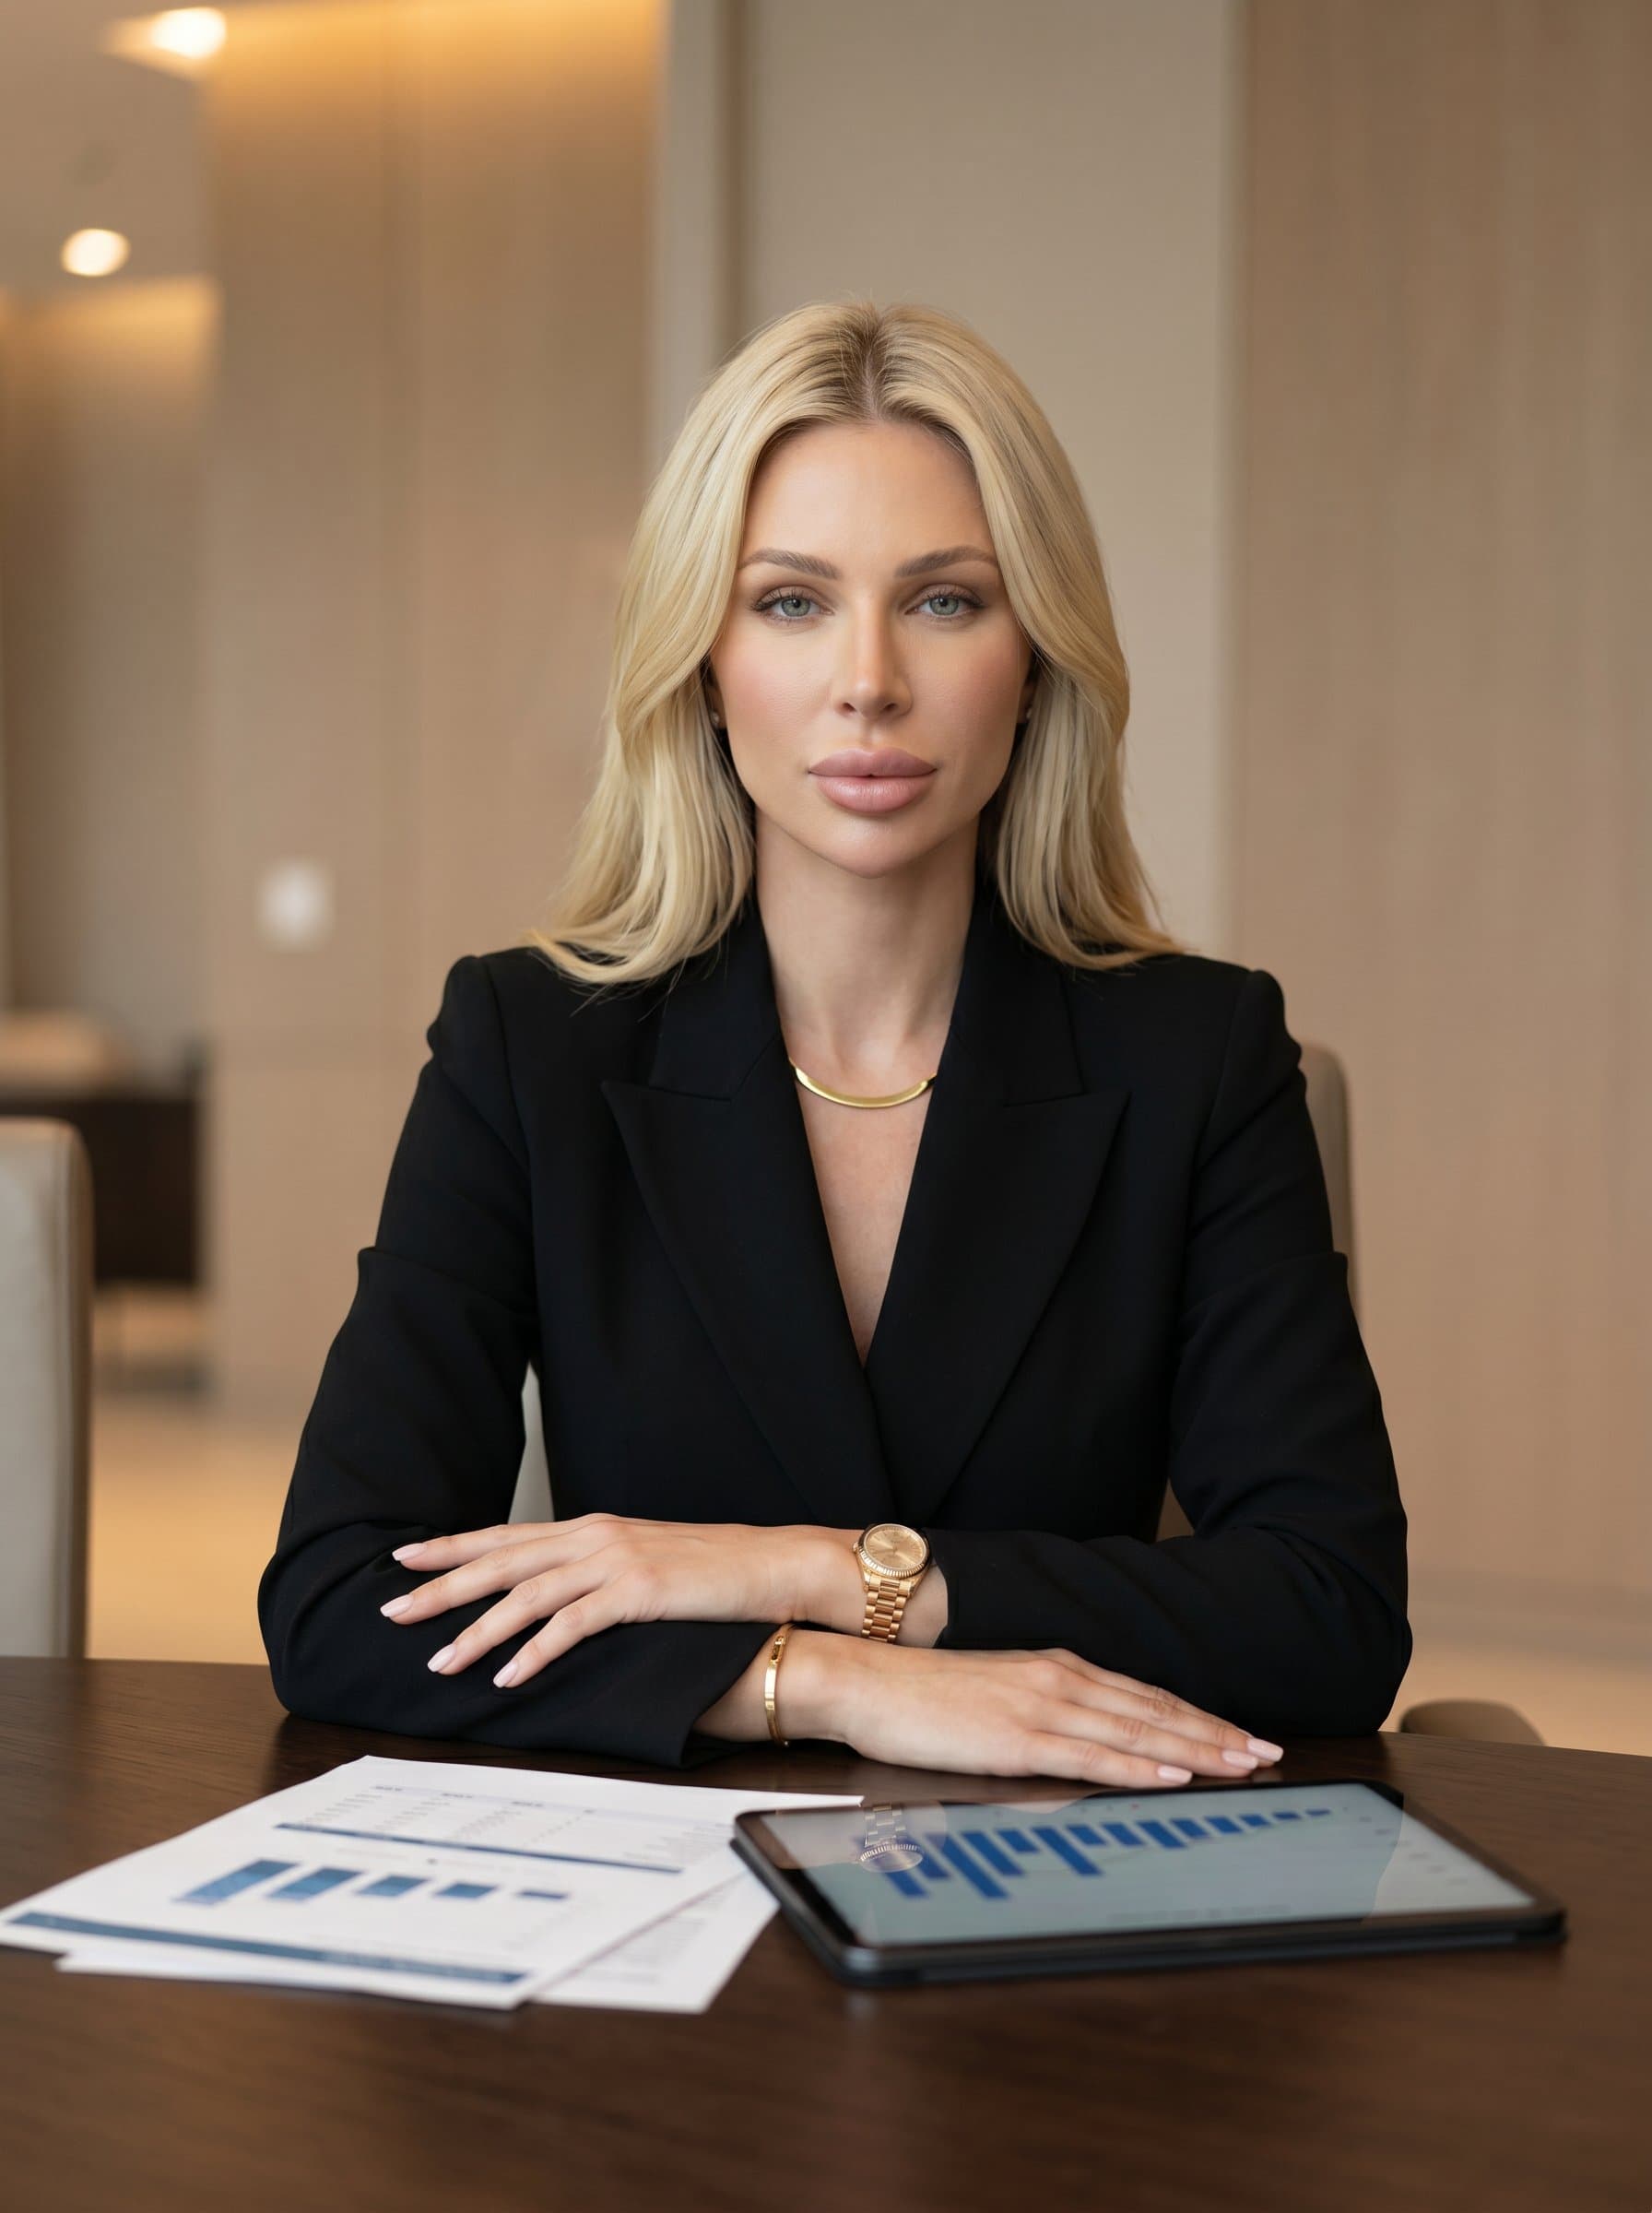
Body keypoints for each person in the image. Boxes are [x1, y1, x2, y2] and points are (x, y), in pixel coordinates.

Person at [257, 298, 1410, 1787]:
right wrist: (824, 1682)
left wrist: (815, 1573)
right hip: (655, 1884)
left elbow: (1331, 1612)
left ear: (1036, 660)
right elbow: (342, 1602)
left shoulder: (1202, 1056)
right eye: (792, 602)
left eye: (946, 601)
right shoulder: (528, 1044)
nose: (869, 679)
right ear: (702, 659)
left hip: (1056, 1880)